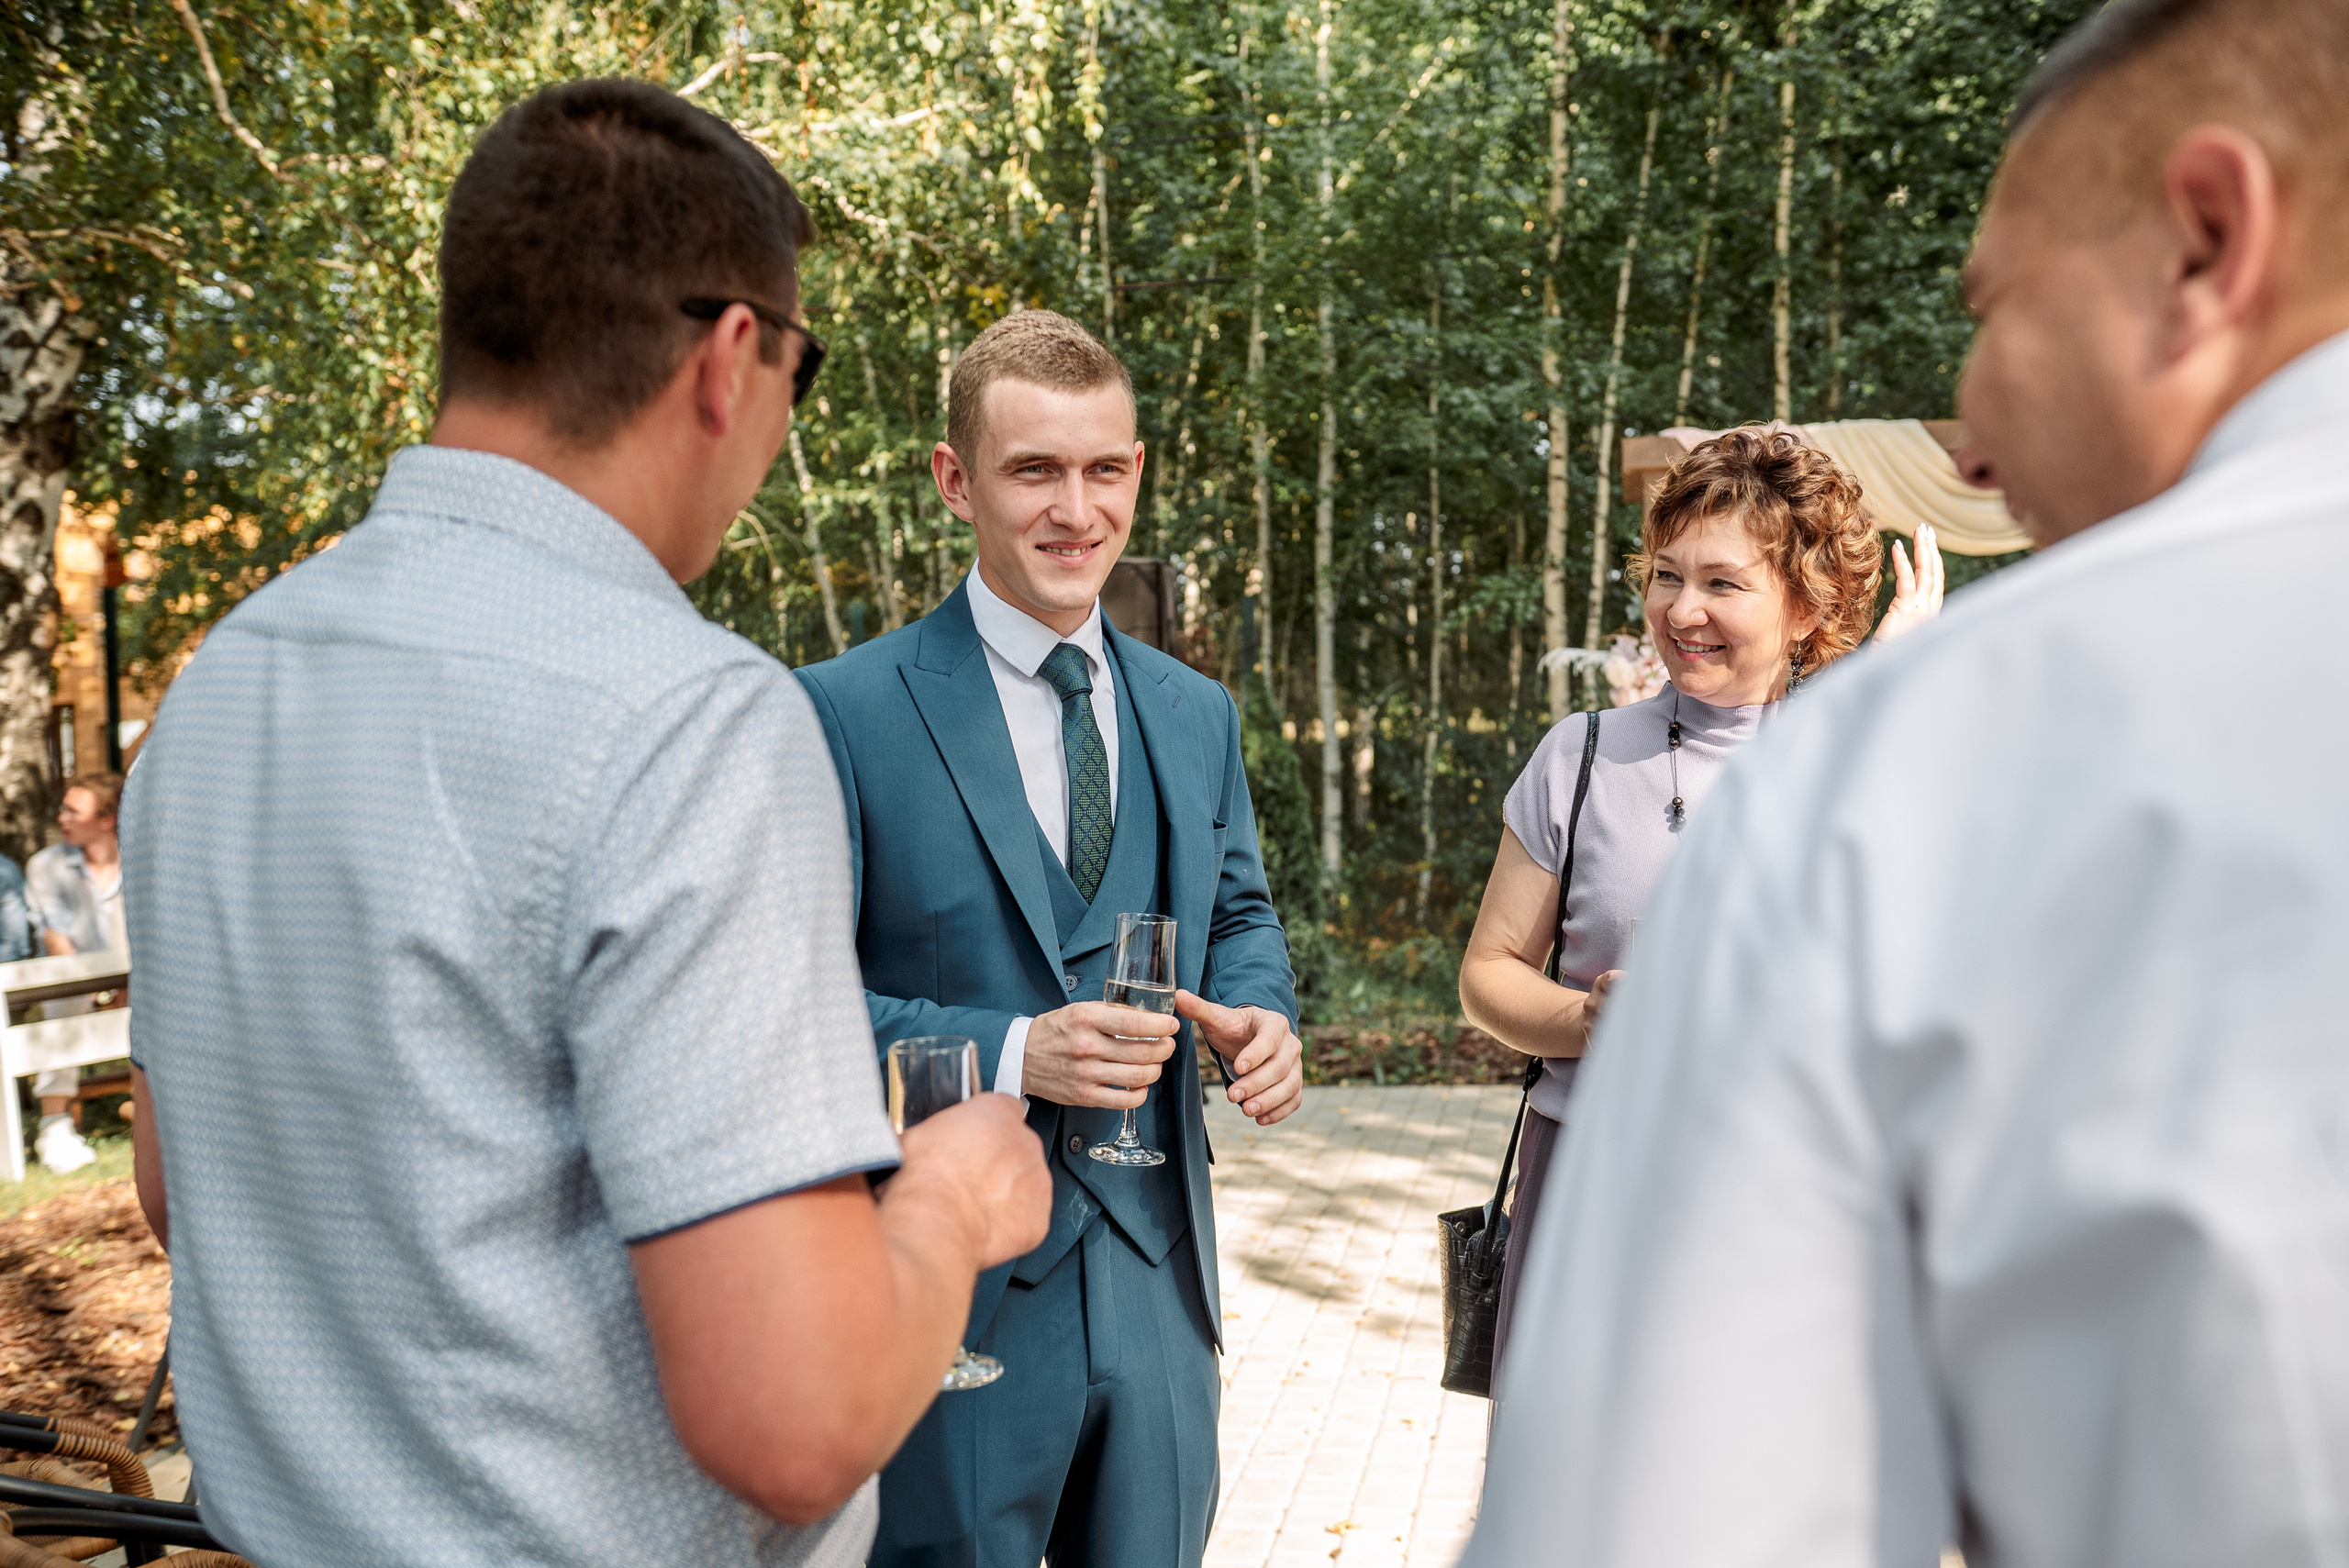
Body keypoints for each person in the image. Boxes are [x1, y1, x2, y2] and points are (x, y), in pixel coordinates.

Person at [120, 79, 1050, 1568]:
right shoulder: (690, 719)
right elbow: (794, 1417)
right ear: (729, 356)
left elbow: (190, 1192)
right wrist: (947, 1201)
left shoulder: (219, 686)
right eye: (800, 376)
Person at [1464, 0, 2349, 1563]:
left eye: (1997, 308)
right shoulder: (1628, 754)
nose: (1981, 424)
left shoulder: (1899, 772)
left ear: (2210, 235)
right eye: (1665, 575)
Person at [795, 307, 1307, 1568]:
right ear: (955, 480)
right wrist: (1016, 1050)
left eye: (1105, 468)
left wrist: (1264, 1011)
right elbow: (788, 1013)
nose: (1077, 508)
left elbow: (1238, 911)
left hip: (1158, 1283)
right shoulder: (836, 713)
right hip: (947, 1296)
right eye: (1035, 469)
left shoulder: (1197, 714)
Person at [1457, 435, 1940, 1374]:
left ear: (1806, 605)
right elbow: (1486, 975)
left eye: (1723, 583)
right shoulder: (1580, 754)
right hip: (1589, 1176)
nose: (1683, 610)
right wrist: (1588, 1019)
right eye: (1666, 575)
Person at [26, 772, 129, 1173]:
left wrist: (132, 986)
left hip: (136, 980)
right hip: (74, 981)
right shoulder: (46, 865)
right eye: (62, 808)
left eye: (73, 810)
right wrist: (98, 993)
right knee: (62, 998)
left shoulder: (141, 856)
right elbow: (56, 938)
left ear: (106, 819)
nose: (61, 817)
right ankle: (54, 1127)